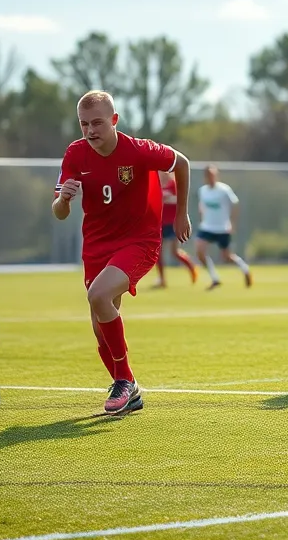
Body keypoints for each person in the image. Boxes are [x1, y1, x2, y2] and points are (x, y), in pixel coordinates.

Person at [53, 90, 191, 416]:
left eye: (98, 122)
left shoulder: (139, 150)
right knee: (100, 324)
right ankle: (130, 391)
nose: (90, 130)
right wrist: (64, 201)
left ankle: (125, 381)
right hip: (97, 245)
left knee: (98, 296)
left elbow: (181, 163)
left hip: (140, 241)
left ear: (114, 120)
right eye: (84, 124)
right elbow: (58, 212)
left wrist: (182, 212)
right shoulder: (75, 154)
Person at [196, 166, 252, 290]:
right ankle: (215, 278)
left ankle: (245, 269)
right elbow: (202, 206)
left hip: (222, 227)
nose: (211, 178)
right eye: (208, 175)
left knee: (227, 257)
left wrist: (232, 222)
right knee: (200, 251)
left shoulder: (224, 190)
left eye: (213, 175)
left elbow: (235, 205)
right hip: (207, 227)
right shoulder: (203, 191)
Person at [153, 170, 198, 288]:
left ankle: (192, 268)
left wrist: (169, 198)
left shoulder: (173, 184)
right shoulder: (156, 183)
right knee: (158, 254)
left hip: (172, 223)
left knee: (175, 252)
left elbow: (180, 200)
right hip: (160, 224)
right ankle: (162, 280)